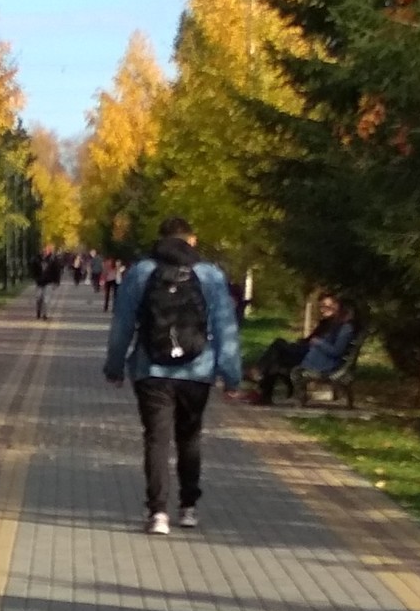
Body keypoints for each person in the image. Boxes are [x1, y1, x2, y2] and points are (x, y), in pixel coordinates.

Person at [103, 217, 242, 535]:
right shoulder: (210, 275)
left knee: (156, 439)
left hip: (150, 369)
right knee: (189, 436)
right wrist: (231, 376)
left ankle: (158, 513)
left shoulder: (141, 272)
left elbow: (122, 324)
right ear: (191, 240)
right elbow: (225, 328)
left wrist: (114, 367)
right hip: (198, 370)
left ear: (161, 239)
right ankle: (189, 507)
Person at [250, 293, 357, 404]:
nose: (322, 310)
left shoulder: (345, 328)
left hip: (318, 361)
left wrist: (318, 343)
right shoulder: (327, 324)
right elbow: (309, 340)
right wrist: (303, 342)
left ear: (337, 306)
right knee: (276, 359)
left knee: (278, 346)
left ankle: (259, 374)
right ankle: (263, 392)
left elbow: (336, 351)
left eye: (326, 306)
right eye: (321, 306)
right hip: (308, 353)